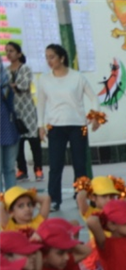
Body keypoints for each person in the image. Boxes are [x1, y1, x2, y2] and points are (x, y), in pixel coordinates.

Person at [35, 44, 100, 211]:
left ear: (62, 58)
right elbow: (41, 103)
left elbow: (94, 98)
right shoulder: (44, 79)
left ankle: (80, 197)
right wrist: (40, 126)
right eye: (47, 57)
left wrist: (95, 117)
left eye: (52, 57)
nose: (49, 61)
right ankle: (54, 199)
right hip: (55, 126)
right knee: (55, 165)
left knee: (80, 164)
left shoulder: (77, 77)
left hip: (78, 125)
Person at [5, 42, 42, 184]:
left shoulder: (26, 68)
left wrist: (11, 86)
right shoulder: (5, 70)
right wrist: (12, 86)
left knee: (34, 140)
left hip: (27, 109)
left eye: (11, 51)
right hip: (13, 110)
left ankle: (38, 169)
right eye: (7, 51)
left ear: (19, 53)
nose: (9, 54)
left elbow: (24, 86)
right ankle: (22, 170)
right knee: (17, 142)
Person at [0, 68, 17, 192]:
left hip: (9, 129)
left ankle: (12, 198)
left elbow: (13, 106)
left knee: (10, 168)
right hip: (8, 129)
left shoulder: (6, 85)